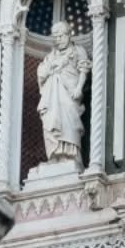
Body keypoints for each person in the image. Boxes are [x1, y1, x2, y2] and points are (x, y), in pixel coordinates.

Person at [36, 19, 90, 162]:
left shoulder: (78, 50)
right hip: (51, 96)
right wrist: (49, 70)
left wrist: (79, 88)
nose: (58, 40)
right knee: (51, 122)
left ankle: (71, 155)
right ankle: (55, 155)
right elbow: (42, 73)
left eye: (60, 36)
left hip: (70, 93)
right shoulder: (51, 56)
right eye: (55, 37)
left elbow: (83, 69)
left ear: (69, 35)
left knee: (69, 123)